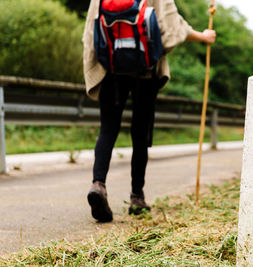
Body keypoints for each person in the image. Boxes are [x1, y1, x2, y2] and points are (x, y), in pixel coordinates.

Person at [83, 0, 216, 222]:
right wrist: (203, 36)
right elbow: (172, 27)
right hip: (144, 72)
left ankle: (99, 185)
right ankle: (137, 197)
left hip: (111, 71)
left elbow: (90, 34)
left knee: (108, 129)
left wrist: (98, 65)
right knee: (140, 133)